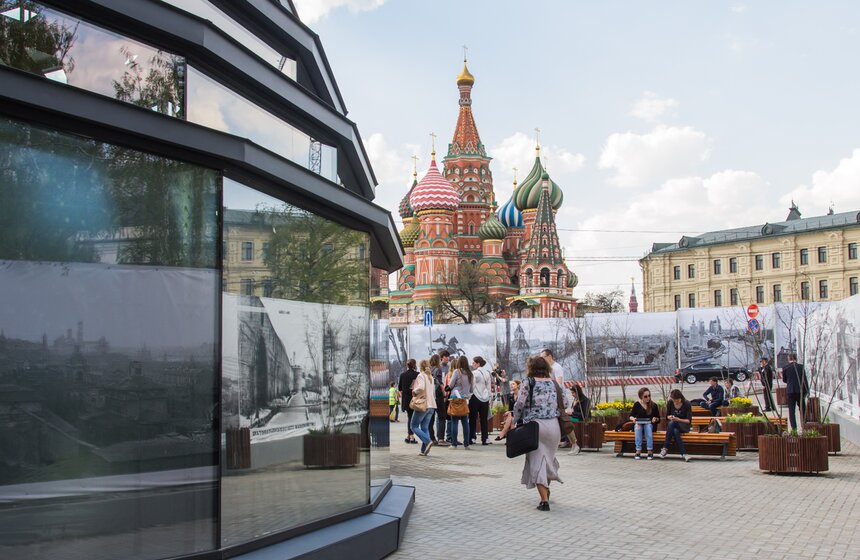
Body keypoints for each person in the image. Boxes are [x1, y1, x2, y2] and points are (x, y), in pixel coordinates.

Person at [512, 356, 571, 512]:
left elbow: (519, 404)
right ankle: (546, 489)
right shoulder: (554, 383)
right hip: (554, 426)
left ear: (530, 367)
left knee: (537, 461)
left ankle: (544, 501)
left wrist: (514, 420)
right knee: (548, 460)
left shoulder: (528, 382)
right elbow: (565, 403)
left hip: (535, 426)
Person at [541, 348, 576, 450]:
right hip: (550, 398)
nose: (542, 360)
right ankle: (562, 441)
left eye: (543, 357)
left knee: (563, 420)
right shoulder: (547, 368)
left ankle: (574, 443)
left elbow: (559, 383)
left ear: (549, 356)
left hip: (558, 398)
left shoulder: (557, 368)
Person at [410, 359, 437, 456]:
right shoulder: (431, 377)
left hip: (423, 405)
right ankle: (423, 450)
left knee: (413, 426)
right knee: (425, 427)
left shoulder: (421, 375)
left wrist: (414, 392)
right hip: (432, 405)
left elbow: (420, 387)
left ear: (420, 366)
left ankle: (428, 441)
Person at [446, 355, 473, 449]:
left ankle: (454, 444)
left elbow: (451, 384)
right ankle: (466, 444)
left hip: (455, 398)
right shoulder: (470, 374)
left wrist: (448, 388)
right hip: (465, 399)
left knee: (454, 421)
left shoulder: (456, 372)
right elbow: (472, 389)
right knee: (465, 422)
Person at [660, 389, 693, 462]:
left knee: (672, 423)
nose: (676, 402)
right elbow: (667, 416)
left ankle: (665, 448)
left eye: (677, 400)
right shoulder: (670, 403)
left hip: (684, 425)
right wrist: (670, 417)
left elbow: (688, 421)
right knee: (675, 431)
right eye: (674, 400)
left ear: (680, 398)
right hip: (673, 426)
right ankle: (684, 454)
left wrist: (678, 419)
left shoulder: (687, 404)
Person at [629, 387, 660, 459]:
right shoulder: (637, 404)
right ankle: (638, 450)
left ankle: (649, 450)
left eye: (649, 396)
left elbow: (658, 419)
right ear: (641, 397)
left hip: (650, 424)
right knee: (637, 427)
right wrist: (633, 419)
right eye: (645, 396)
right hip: (639, 424)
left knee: (647, 427)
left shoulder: (653, 405)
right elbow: (631, 416)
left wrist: (655, 419)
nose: (648, 398)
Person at [469, 356, 492, 445]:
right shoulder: (487, 373)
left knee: (473, 418)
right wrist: (489, 397)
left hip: (475, 397)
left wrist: (469, 395)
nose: (472, 364)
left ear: (478, 363)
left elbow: (472, 386)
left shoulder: (474, 373)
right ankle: (485, 438)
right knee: (484, 419)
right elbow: (489, 387)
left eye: (474, 363)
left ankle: (472, 437)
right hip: (485, 397)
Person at [783, 352, 809, 431]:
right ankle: (804, 426)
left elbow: (784, 380)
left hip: (791, 391)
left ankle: (794, 428)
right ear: (796, 358)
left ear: (789, 358)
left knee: (791, 411)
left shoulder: (785, 368)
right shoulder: (801, 367)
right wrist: (806, 390)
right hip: (800, 391)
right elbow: (804, 379)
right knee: (802, 409)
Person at [398, 359, 419, 444]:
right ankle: (411, 436)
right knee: (412, 418)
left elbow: (400, 389)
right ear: (414, 365)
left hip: (406, 399)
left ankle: (409, 436)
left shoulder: (402, 375)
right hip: (414, 398)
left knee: (409, 416)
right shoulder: (417, 375)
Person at [431, 352, 449, 446]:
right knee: (442, 417)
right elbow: (440, 383)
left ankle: (432, 438)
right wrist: (444, 394)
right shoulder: (438, 369)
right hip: (438, 394)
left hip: (430, 395)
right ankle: (441, 439)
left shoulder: (429, 369)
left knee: (431, 417)